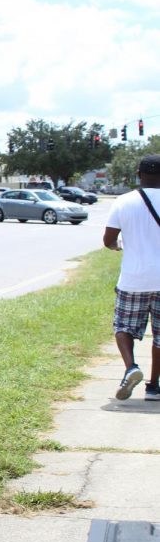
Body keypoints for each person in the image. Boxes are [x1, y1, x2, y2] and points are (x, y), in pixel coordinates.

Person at [103, 154, 160, 401]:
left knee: (123, 327)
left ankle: (131, 367)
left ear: (138, 174)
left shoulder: (123, 202)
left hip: (134, 278)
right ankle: (154, 387)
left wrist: (119, 246)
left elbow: (108, 240)